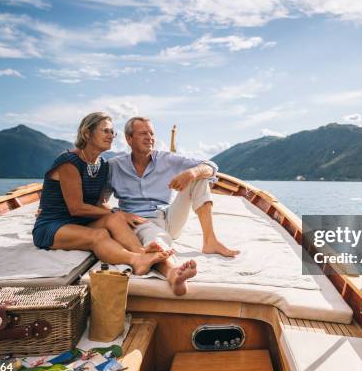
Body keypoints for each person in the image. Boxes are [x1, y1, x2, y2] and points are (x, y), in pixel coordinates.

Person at [32, 112, 198, 291]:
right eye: (105, 131)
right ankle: (135, 259)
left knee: (116, 219)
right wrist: (119, 212)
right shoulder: (69, 162)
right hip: (54, 225)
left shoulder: (102, 165)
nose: (111, 135)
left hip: (80, 222)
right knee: (100, 234)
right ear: (87, 133)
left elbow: (99, 203)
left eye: (113, 132)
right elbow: (77, 208)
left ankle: (145, 256)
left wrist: (118, 215)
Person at [106, 117, 240, 261]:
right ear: (129, 138)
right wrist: (119, 215)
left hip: (170, 218)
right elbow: (101, 201)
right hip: (140, 222)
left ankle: (210, 241)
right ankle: (161, 258)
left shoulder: (167, 159)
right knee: (158, 242)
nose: (149, 138)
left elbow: (211, 167)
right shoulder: (114, 166)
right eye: (143, 133)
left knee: (199, 177)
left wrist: (192, 172)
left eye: (151, 134)